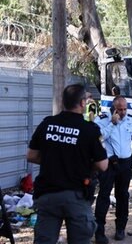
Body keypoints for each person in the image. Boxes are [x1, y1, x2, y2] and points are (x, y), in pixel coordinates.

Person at [27, 84, 108, 244]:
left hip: (47, 195)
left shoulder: (47, 124)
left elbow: (31, 156)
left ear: (63, 102)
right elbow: (102, 165)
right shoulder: (89, 129)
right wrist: (78, 163)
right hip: (76, 196)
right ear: (83, 103)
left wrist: (54, 160)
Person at [94, 96, 132, 244]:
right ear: (113, 108)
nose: (123, 112)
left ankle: (120, 228)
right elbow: (98, 138)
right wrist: (112, 124)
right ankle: (99, 231)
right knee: (104, 196)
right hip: (108, 163)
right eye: (120, 109)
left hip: (125, 163)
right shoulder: (102, 120)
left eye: (125, 109)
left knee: (123, 196)